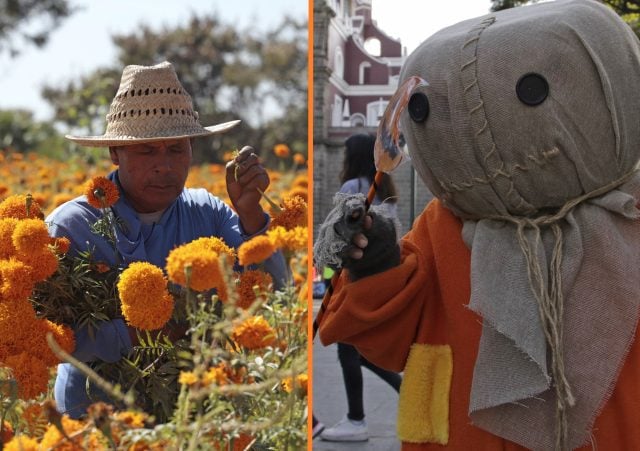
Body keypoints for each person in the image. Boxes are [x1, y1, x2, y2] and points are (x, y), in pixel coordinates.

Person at [315, 1, 640, 449]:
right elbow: (388, 342)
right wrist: (377, 266)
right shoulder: (442, 227)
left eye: (532, 90)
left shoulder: (629, 221)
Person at [46, 61, 287, 419]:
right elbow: (48, 337)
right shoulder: (70, 227)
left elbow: (275, 297)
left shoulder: (209, 213)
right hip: (93, 421)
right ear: (116, 153)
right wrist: (139, 333)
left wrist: (252, 216)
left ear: (192, 149)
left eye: (176, 149)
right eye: (147, 150)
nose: (164, 166)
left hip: (192, 419)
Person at [319, 133, 402, 442]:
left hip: (350, 279)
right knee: (358, 350)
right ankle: (401, 388)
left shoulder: (352, 189)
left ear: (351, 158)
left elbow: (335, 241)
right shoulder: (384, 192)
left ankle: (356, 420)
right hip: (378, 279)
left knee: (346, 346)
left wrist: (326, 274)